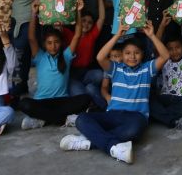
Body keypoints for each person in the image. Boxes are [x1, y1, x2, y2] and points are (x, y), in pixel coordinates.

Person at [60, 21, 170, 164]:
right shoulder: (115, 68)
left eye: (137, 53)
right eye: (128, 53)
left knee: (134, 130)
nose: (132, 56)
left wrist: (151, 35)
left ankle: (89, 142)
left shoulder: (147, 69)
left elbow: (165, 55)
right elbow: (100, 57)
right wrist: (117, 35)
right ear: (122, 55)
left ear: (142, 55)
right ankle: (113, 147)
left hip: (135, 118)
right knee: (82, 119)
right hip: (113, 115)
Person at [17, 0, 91, 129]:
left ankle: (42, 120)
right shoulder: (40, 56)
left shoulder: (66, 56)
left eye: (56, 42)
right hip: (41, 101)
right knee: (24, 103)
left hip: (62, 101)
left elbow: (77, 35)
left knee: (85, 99)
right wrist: (34, 14)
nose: (53, 46)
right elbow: (31, 38)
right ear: (44, 44)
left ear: (61, 43)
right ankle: (63, 119)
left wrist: (78, 11)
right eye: (49, 43)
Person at [150, 12, 182, 131]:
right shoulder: (164, 59)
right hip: (166, 97)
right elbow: (155, 48)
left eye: (177, 47)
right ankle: (176, 121)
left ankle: (161, 116)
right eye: (170, 49)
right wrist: (162, 25)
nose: (174, 51)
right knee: (148, 99)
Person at [63, 0, 106, 108]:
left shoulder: (91, 36)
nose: (86, 24)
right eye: (83, 21)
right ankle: (89, 99)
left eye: (89, 22)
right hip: (71, 74)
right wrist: (78, 9)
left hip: (86, 73)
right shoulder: (68, 34)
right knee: (82, 96)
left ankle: (93, 97)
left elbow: (101, 18)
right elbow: (58, 21)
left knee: (100, 74)